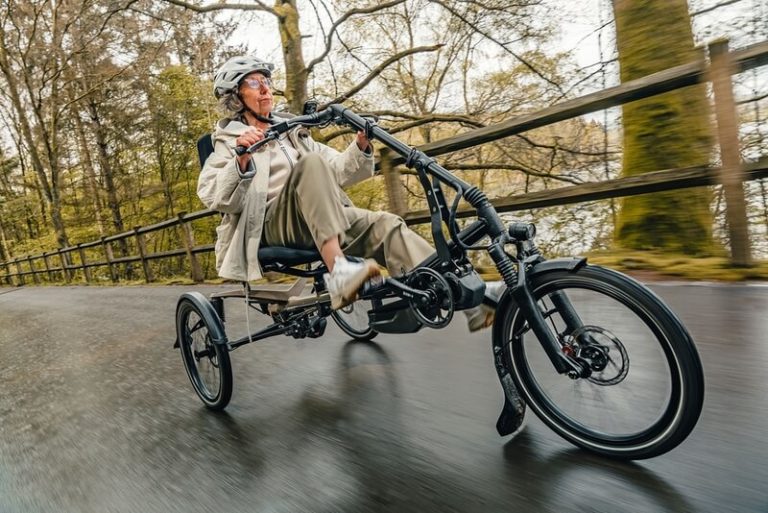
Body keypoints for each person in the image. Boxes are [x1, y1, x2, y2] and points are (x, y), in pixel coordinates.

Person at [198, 55, 500, 331]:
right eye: (253, 83)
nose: (265, 89)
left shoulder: (292, 131)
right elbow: (213, 195)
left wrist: (361, 145)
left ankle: (471, 299)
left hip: (318, 218)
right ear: (236, 97)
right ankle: (340, 271)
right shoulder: (228, 141)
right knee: (312, 164)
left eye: (266, 81)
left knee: (385, 224)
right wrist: (241, 158)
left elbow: (339, 170)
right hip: (269, 225)